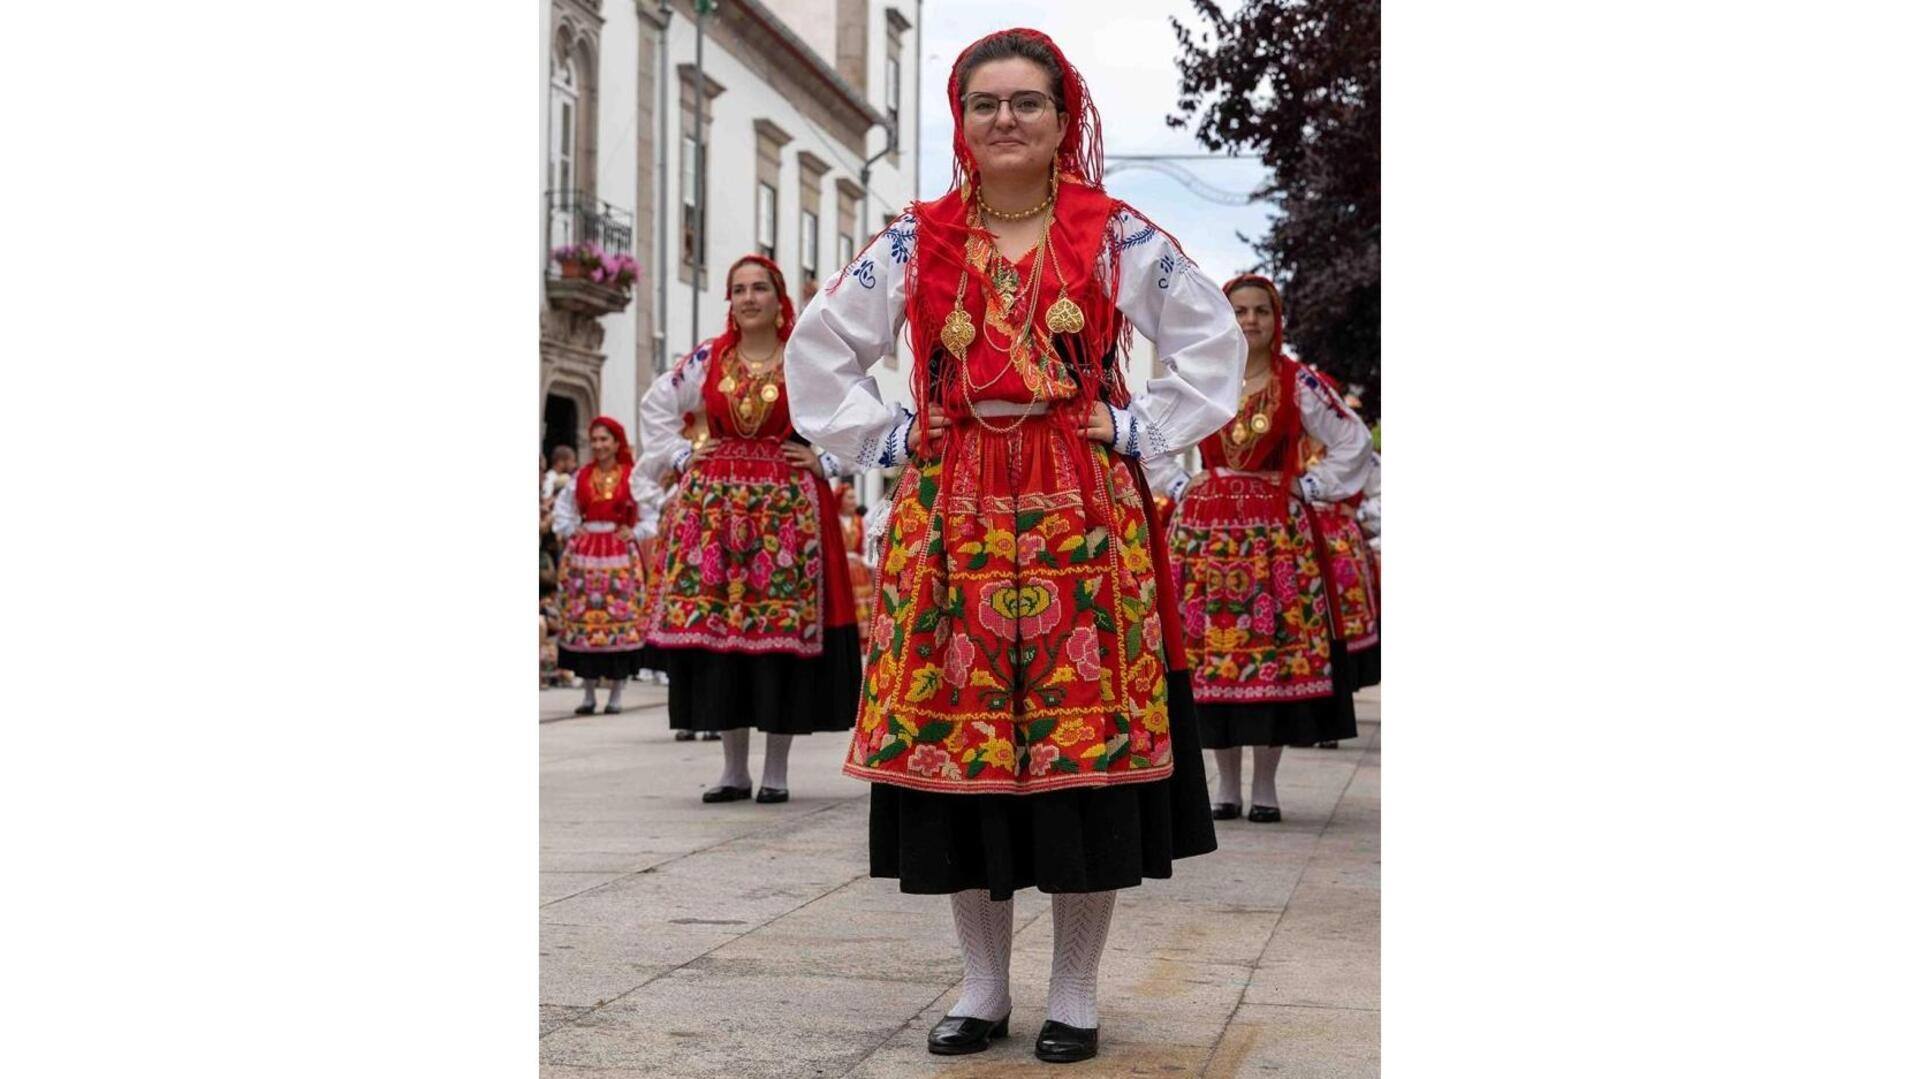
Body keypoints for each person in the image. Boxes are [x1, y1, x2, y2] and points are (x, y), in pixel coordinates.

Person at [787, 28, 1242, 1064]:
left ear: (1061, 115)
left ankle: (1074, 990)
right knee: (960, 742)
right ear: (960, 117)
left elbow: (1210, 340)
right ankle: (982, 986)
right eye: (985, 102)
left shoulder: (1113, 233)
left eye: (1026, 102)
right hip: (951, 515)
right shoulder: (915, 240)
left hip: (1084, 513)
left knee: (1085, 753)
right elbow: (822, 354)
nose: (1005, 119)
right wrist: (891, 435)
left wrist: (1136, 427)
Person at [1146, 274, 1373, 821]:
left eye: (1261, 311)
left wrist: (1311, 487)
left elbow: (1353, 439)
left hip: (1276, 536)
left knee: (1272, 656)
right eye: (1240, 311)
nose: (1250, 321)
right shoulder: (1199, 378)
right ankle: (1225, 786)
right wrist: (1177, 483)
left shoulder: (1298, 383)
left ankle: (1266, 788)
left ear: (1276, 319)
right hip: (1203, 535)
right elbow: (1148, 432)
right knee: (1211, 663)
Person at [637, 254, 861, 801]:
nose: (748, 298)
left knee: (780, 639)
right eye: (738, 289)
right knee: (723, 640)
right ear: (729, 302)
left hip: (787, 514)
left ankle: (776, 773)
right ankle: (733, 770)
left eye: (759, 287)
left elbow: (851, 408)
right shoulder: (709, 359)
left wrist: (826, 462)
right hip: (715, 514)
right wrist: (684, 454)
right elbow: (657, 404)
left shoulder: (802, 359)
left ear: (778, 297)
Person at [551, 418, 651, 714]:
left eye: (604, 439)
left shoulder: (632, 477)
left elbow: (650, 512)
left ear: (617, 443)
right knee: (584, 623)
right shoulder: (581, 476)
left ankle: (616, 694)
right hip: (584, 555)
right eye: (594, 439)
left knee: (618, 622)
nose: (598, 445)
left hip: (619, 555)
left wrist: (635, 532)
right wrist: (572, 529)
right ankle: (589, 694)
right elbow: (564, 510)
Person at [836, 482, 875, 649]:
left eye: (854, 498)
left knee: (862, 603)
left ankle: (864, 641)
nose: (853, 501)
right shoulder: (834, 520)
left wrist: (868, 562)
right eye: (850, 497)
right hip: (840, 569)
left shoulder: (860, 521)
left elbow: (867, 545)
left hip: (859, 569)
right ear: (840, 499)